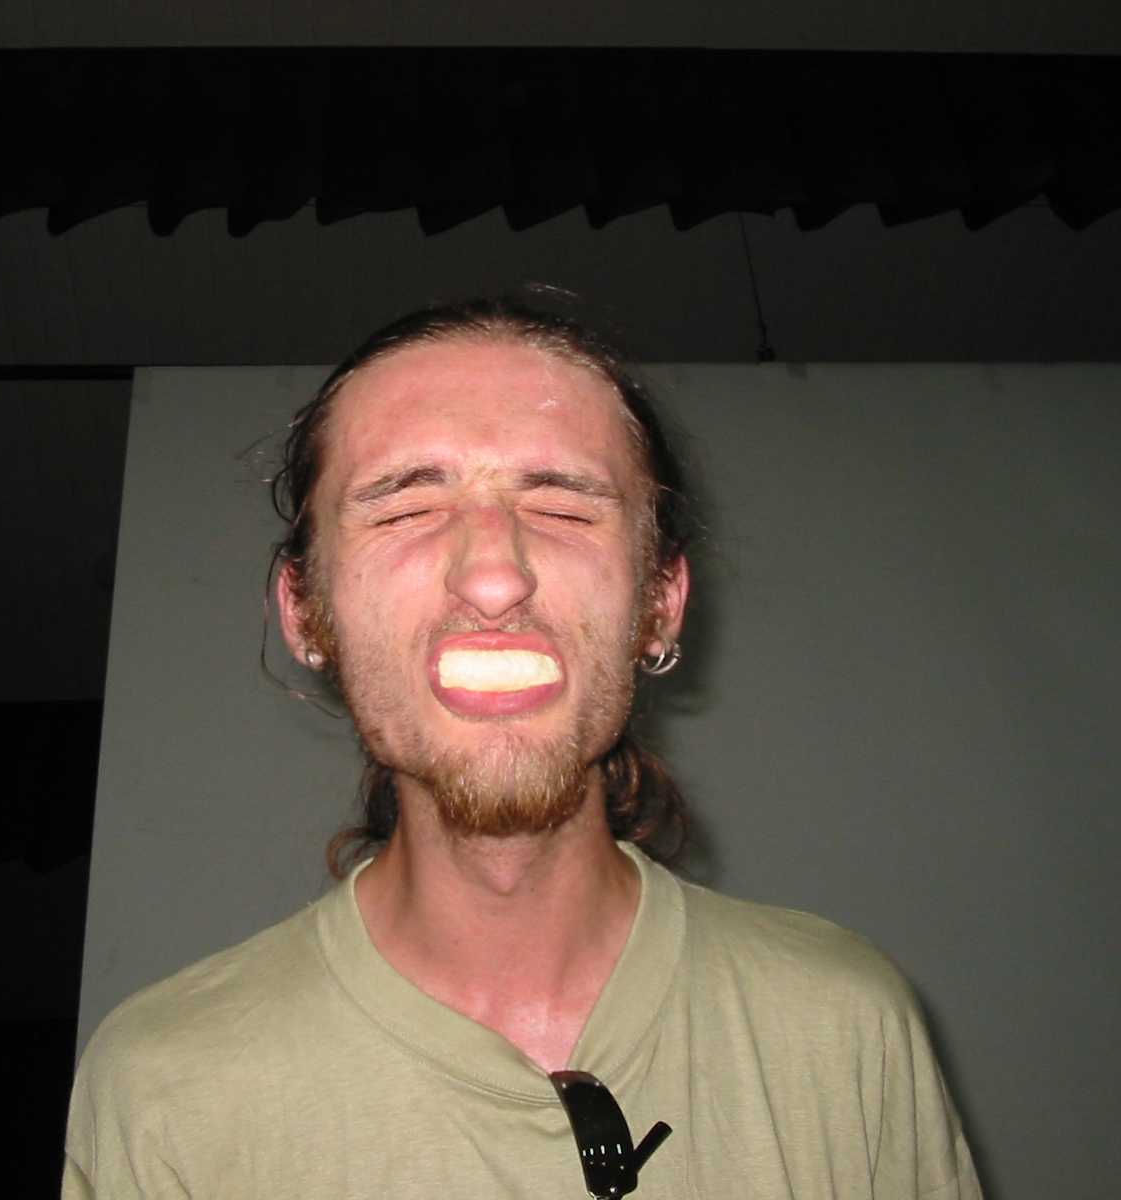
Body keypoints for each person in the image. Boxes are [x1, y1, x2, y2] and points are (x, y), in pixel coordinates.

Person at [62, 298, 984, 1198]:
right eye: (406, 508)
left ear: (661, 602)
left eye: (564, 508)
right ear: (305, 610)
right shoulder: (165, 1093)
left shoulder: (846, 1025)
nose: (495, 576)